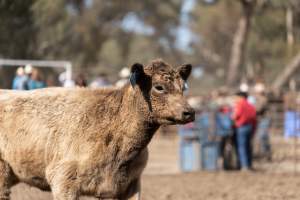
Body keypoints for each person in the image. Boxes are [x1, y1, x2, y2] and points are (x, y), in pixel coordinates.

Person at [232, 91, 256, 171]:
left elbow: (236, 115)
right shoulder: (251, 105)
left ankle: (244, 166)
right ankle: (249, 165)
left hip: (241, 127)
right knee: (248, 146)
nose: (235, 99)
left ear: (241, 97)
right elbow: (254, 118)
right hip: (249, 127)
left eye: (236, 97)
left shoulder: (240, 104)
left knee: (241, 147)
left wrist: (232, 118)